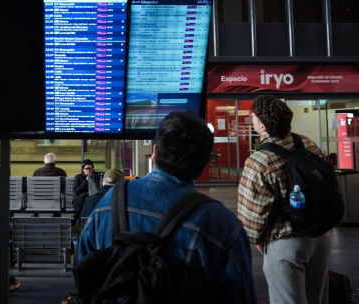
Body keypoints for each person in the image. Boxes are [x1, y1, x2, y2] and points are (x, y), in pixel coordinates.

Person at [79, 111, 256, 303]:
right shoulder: (221, 224)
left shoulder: (110, 202)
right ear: (204, 163)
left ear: (154, 151)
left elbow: (86, 274)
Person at [238, 95, 330, 304]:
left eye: (254, 116)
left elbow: (252, 212)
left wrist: (257, 239)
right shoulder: (307, 143)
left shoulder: (259, 159)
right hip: (320, 238)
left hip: (285, 243)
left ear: (263, 126)